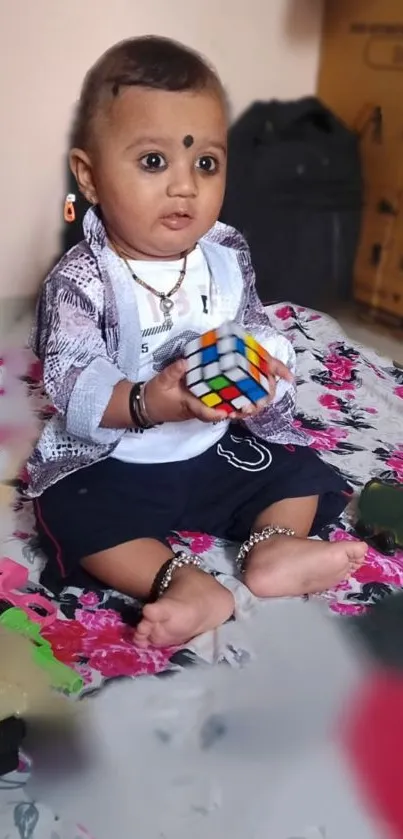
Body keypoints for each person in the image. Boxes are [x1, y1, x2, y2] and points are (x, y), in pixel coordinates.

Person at [26, 36, 366, 648]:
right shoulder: (82, 280)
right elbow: (70, 378)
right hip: (122, 462)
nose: (185, 186)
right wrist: (149, 402)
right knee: (66, 508)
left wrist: (265, 360)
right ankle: (180, 581)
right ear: (91, 177)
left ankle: (274, 549)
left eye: (205, 163)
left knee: (296, 469)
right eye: (154, 162)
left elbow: (254, 321)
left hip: (214, 447)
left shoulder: (225, 255)